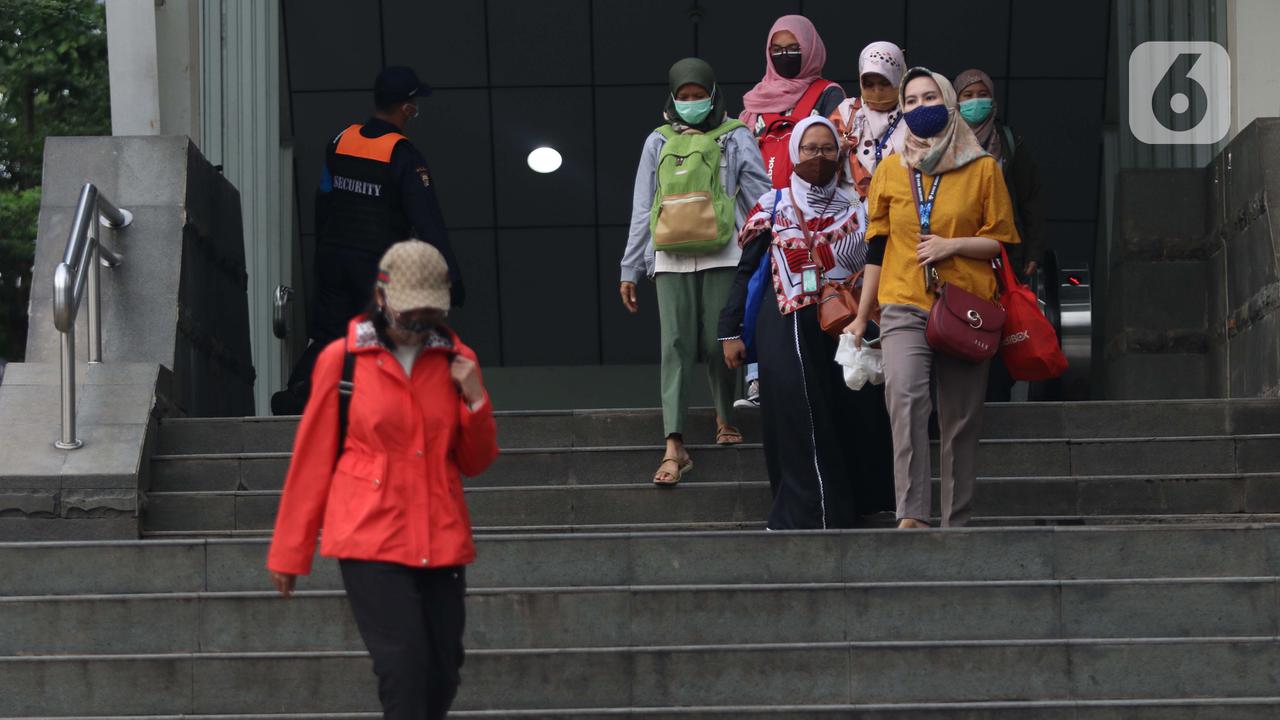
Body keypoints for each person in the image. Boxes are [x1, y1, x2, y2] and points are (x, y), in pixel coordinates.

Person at [267, 240, 498, 719]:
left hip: (440, 534)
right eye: (408, 316)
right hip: (369, 535)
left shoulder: (458, 360)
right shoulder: (342, 360)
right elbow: (312, 459)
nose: (417, 328)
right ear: (382, 298)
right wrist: (291, 550)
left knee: (443, 670)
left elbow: (475, 461)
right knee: (403, 667)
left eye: (428, 317)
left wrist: (475, 400)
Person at [847, 67, 1019, 529]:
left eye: (931, 98)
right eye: (913, 101)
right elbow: (877, 246)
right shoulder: (890, 167)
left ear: (949, 102)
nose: (922, 107)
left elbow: (999, 241)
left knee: (960, 419)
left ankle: (956, 521)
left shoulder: (982, 167)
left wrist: (953, 244)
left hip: (966, 304)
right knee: (904, 398)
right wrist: (863, 317)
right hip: (903, 299)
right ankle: (912, 515)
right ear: (902, 109)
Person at [719, 116, 894, 529]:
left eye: (827, 149)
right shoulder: (771, 207)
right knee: (801, 417)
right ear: (795, 152)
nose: (818, 157)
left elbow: (876, 263)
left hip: (846, 323)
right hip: (788, 324)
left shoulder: (860, 209)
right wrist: (729, 330)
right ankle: (808, 512)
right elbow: (746, 272)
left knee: (852, 412)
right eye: (810, 149)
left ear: (840, 153)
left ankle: (858, 505)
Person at [272, 66, 465, 416]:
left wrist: (323, 254)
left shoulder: (341, 140)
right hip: (375, 263)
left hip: (333, 256)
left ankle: (297, 392)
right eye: (414, 103)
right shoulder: (404, 156)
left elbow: (323, 200)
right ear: (406, 108)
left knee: (331, 336)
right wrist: (451, 276)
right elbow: (428, 222)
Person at [620, 58, 770, 486]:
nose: (690, 103)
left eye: (697, 95)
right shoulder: (657, 140)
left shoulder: (736, 135)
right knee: (675, 345)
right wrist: (630, 265)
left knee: (717, 339)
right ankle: (674, 443)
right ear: (671, 97)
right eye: (682, 97)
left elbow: (760, 196)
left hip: (725, 250)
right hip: (669, 256)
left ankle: (725, 414)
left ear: (712, 92)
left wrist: (771, 248)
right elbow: (642, 205)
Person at [736, 15, 846, 410]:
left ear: (811, 48)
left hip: (815, 215)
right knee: (758, 295)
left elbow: (838, 149)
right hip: (764, 213)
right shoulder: (752, 103)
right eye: (777, 49)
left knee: (813, 294)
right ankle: (758, 378)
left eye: (793, 48)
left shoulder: (828, 93)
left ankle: (820, 376)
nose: (785, 55)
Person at [954, 68, 1049, 402]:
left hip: (1003, 252)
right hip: (958, 250)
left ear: (993, 99)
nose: (975, 102)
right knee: (961, 318)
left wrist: (1034, 251)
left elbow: (1031, 200)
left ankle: (996, 393)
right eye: (967, 96)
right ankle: (964, 394)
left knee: (999, 320)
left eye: (981, 95)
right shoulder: (945, 144)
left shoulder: (1008, 143)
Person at [830, 41, 908, 200]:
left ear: (899, 79)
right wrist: (837, 147)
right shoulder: (847, 112)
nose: (877, 91)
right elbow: (822, 154)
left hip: (899, 207)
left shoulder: (912, 113)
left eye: (885, 83)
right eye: (869, 84)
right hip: (853, 211)